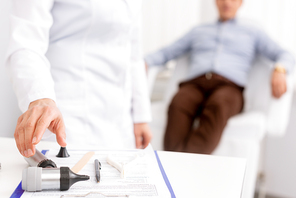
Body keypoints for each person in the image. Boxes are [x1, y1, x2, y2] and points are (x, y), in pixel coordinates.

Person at [6, 0, 152, 158]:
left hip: (121, 117)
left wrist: (141, 116)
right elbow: (26, 43)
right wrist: (40, 98)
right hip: (70, 110)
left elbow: (134, 53)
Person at [145, 0, 295, 154]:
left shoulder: (253, 32)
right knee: (178, 103)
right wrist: (145, 62)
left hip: (229, 88)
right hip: (195, 84)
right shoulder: (198, 31)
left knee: (219, 105)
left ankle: (188, 166)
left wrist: (280, 69)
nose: (227, 2)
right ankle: (171, 164)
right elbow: (167, 52)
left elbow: (284, 54)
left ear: (240, 3)